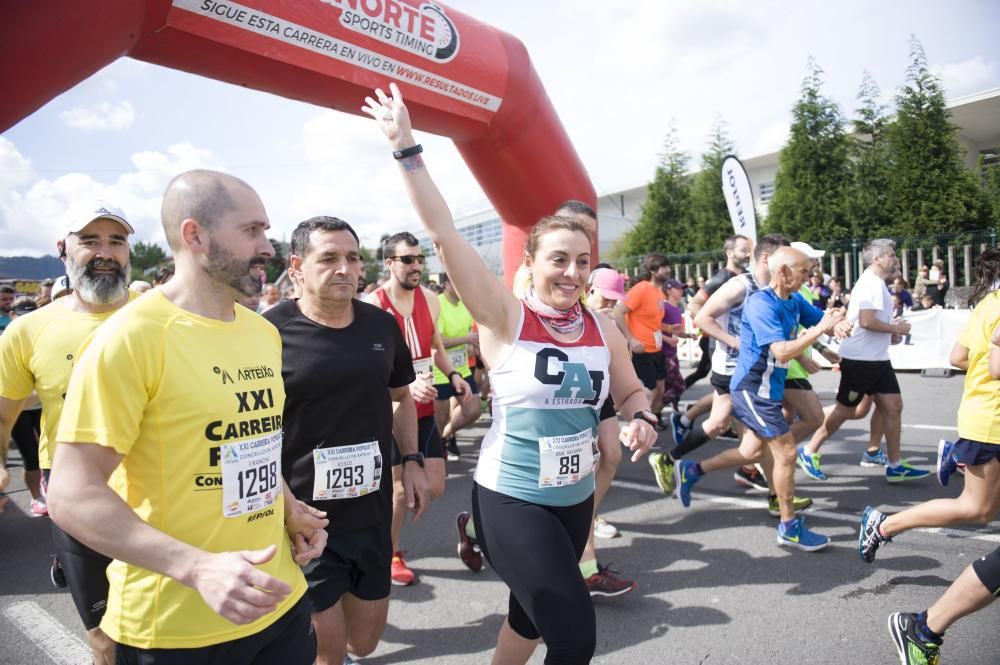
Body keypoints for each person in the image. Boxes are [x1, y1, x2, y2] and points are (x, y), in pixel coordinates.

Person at [364, 82, 656, 665]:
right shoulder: (504, 316)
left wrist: (642, 415)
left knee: (527, 618)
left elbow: (629, 389)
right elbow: (445, 235)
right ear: (531, 263)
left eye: (582, 261)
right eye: (558, 259)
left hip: (574, 499)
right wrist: (406, 149)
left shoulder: (602, 327)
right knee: (574, 636)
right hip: (512, 498)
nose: (572, 272)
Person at [47, 171, 327, 665]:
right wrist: (196, 567)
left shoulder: (262, 332)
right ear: (195, 235)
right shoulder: (131, 337)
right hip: (174, 628)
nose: (268, 246)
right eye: (252, 231)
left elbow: (253, 441)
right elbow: (71, 493)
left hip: (277, 600)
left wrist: (287, 506)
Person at [265, 216, 429, 665]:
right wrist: (280, 503)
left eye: (352, 258)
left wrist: (412, 459)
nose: (345, 269)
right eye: (329, 258)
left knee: (364, 644)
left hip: (370, 514)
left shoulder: (380, 326)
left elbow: (400, 398)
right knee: (329, 653)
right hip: (305, 522)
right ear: (297, 266)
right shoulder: (267, 332)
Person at [0, 200, 140, 664]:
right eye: (90, 241)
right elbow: (4, 414)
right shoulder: (27, 331)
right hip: (77, 498)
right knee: (104, 637)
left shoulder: (164, 315)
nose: (105, 252)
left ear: (129, 255)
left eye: (116, 242)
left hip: (161, 494)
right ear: (63, 250)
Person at [673, 247, 848, 550]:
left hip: (770, 389)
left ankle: (691, 470)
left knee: (752, 452)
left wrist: (837, 322)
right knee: (787, 453)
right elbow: (781, 351)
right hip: (753, 391)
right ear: (783, 272)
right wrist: (821, 328)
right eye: (804, 271)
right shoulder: (760, 303)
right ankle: (789, 526)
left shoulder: (793, 300)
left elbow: (819, 319)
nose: (810, 276)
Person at [874, 250, 1000, 664]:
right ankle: (922, 627)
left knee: (977, 510)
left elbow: (959, 358)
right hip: (991, 425)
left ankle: (924, 627)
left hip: (982, 421)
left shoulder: (987, 304)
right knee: (975, 510)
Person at [651, 236, 815, 517]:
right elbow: (702, 317)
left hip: (757, 371)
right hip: (732, 369)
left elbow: (782, 331)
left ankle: (770, 491)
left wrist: (801, 355)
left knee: (751, 442)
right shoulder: (741, 284)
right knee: (730, 431)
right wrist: (736, 342)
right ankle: (672, 459)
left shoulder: (777, 290)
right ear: (769, 259)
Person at [366, 230, 469, 586]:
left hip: (425, 407)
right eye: (407, 260)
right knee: (399, 490)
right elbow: (367, 363)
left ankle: (378, 526)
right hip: (393, 408)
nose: (416, 266)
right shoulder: (374, 304)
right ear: (390, 263)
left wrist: (454, 374)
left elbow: (436, 344)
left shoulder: (431, 298)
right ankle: (392, 553)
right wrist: (404, 384)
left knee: (435, 486)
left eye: (420, 259)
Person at [801, 239, 930, 482]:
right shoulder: (870, 283)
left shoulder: (878, 283)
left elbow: (868, 322)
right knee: (846, 410)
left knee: (892, 406)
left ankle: (894, 465)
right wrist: (896, 328)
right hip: (860, 360)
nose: (895, 259)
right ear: (877, 259)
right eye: (891, 255)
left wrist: (889, 334)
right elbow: (868, 321)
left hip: (877, 359)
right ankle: (809, 450)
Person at [433, 272, 481, 461]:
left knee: (474, 410)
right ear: (446, 284)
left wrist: (469, 346)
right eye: (457, 283)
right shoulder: (436, 304)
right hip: (439, 371)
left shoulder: (464, 306)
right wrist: (466, 339)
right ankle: (434, 454)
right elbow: (435, 341)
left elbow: (470, 330)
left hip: (461, 369)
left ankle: (445, 435)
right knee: (439, 417)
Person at [617, 252, 670, 419]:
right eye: (664, 267)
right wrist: (631, 339)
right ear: (653, 270)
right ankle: (641, 427)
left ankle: (649, 424)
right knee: (649, 392)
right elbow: (619, 312)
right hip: (642, 351)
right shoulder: (641, 289)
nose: (668, 270)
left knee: (660, 390)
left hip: (657, 349)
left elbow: (652, 322)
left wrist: (672, 329)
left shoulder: (659, 293)